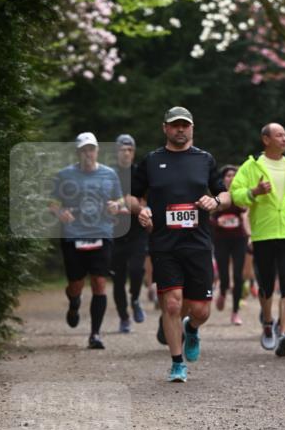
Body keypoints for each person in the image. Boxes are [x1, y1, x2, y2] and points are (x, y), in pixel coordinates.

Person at [132, 106, 230, 383]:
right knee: (172, 304)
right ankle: (177, 363)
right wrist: (140, 210)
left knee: (200, 310)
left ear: (192, 128)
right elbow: (132, 196)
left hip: (197, 242)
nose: (180, 129)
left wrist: (216, 201)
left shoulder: (205, 159)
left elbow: (226, 195)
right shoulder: (152, 161)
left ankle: (193, 328)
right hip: (164, 243)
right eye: (175, 125)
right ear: (165, 128)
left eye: (184, 125)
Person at [230, 123, 285, 357]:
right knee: (265, 284)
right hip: (263, 233)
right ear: (266, 139)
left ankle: (284, 333)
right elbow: (236, 194)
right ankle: (267, 322)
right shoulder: (252, 165)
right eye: (279, 135)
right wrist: (253, 192)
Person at [49, 132, 125, 349]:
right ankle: (74, 302)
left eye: (91, 149)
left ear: (97, 151)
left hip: (102, 232)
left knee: (99, 283)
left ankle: (95, 334)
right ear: (78, 152)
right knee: (76, 284)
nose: (88, 153)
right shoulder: (64, 175)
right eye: (83, 149)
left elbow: (119, 200)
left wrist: (116, 206)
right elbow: (52, 203)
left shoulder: (109, 174)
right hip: (73, 234)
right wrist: (59, 212)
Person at [112, 134, 148, 333]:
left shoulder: (140, 174)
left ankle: (135, 298)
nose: (126, 153)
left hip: (137, 231)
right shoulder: (108, 174)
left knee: (136, 270)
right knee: (117, 278)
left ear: (134, 152)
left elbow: (145, 200)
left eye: (130, 150)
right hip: (115, 232)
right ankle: (124, 317)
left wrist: (137, 206)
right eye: (122, 149)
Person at [210, 164, 251, 325]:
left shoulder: (241, 195)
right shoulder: (218, 196)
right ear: (223, 178)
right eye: (228, 175)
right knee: (224, 276)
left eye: (234, 175)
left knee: (238, 276)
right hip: (221, 239)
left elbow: (248, 212)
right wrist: (217, 221)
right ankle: (222, 290)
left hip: (239, 239)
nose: (231, 178)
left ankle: (235, 312)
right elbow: (208, 216)